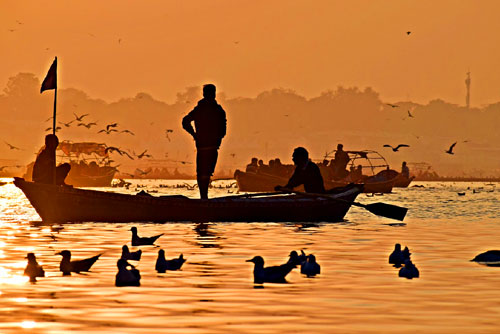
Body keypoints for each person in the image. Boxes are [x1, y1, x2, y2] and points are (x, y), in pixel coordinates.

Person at [182, 84, 227, 199]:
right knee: (205, 174)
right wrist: (195, 134)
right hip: (208, 147)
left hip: (206, 147)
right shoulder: (216, 110)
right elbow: (223, 130)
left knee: (203, 174)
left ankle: (204, 198)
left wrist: (195, 135)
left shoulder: (203, 109)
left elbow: (185, 121)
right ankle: (204, 198)